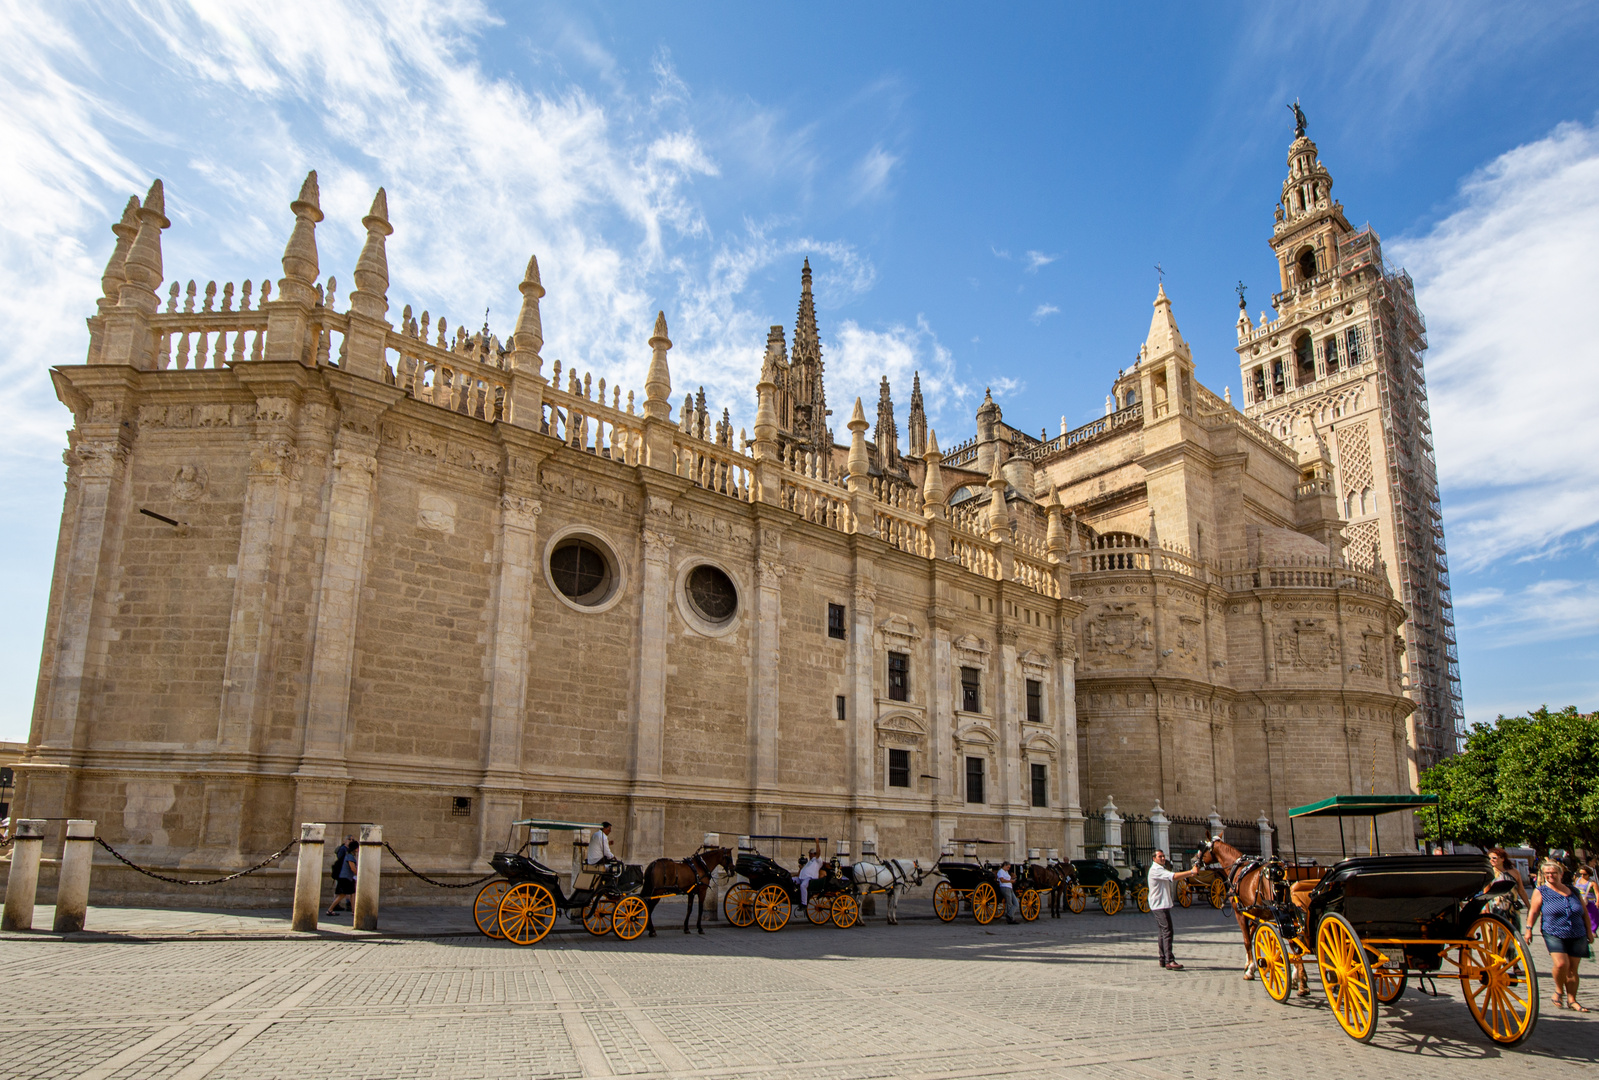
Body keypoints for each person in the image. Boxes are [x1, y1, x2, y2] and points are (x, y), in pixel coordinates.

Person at [1525, 857, 1594, 1011]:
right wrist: (1529, 929)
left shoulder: (1573, 890)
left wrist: (1589, 931)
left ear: (1561, 873)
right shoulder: (1541, 891)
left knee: (1573, 969)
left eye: (1553, 873)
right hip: (1553, 931)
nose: (1550, 876)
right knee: (1562, 964)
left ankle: (1572, 1000)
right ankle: (1558, 990)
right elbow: (1534, 911)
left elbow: (1584, 913)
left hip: (1577, 932)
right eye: (1547, 873)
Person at [1147, 849, 1202, 971]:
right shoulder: (1156, 870)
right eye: (1160, 856)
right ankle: (1169, 960)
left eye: (1163, 856)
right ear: (1154, 858)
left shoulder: (1160, 869)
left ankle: (1162, 958)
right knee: (1167, 931)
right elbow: (1174, 876)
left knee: (1162, 932)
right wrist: (1191, 872)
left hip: (1161, 904)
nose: (1162, 858)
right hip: (1159, 905)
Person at [1487, 848, 1528, 930]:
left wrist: (1529, 906)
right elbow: (1486, 894)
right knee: (1500, 934)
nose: (1491, 860)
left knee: (1515, 932)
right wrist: (1487, 912)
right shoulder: (1489, 873)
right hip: (1497, 907)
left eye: (1494, 858)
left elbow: (1521, 890)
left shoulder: (1514, 872)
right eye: (1489, 858)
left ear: (1502, 859)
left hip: (1512, 907)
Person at [326, 835, 357, 915]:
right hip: (345, 878)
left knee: (352, 893)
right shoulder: (350, 856)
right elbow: (352, 868)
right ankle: (330, 909)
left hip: (348, 878)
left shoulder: (350, 855)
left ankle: (354, 911)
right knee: (342, 894)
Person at [796, 839, 825, 906]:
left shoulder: (818, 860)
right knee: (791, 880)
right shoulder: (810, 861)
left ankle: (804, 903)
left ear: (814, 854)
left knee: (803, 886)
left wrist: (817, 842)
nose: (809, 855)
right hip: (801, 878)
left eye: (810, 854)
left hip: (809, 878)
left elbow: (819, 852)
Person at [1574, 864, 1599, 936]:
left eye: (1584, 874)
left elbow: (1597, 893)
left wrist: (1597, 902)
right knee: (1579, 915)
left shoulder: (1592, 883)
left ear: (1589, 874)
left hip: (1590, 901)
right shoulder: (1578, 880)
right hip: (1578, 900)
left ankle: (1592, 931)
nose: (1582, 876)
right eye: (1580, 874)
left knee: (1592, 916)